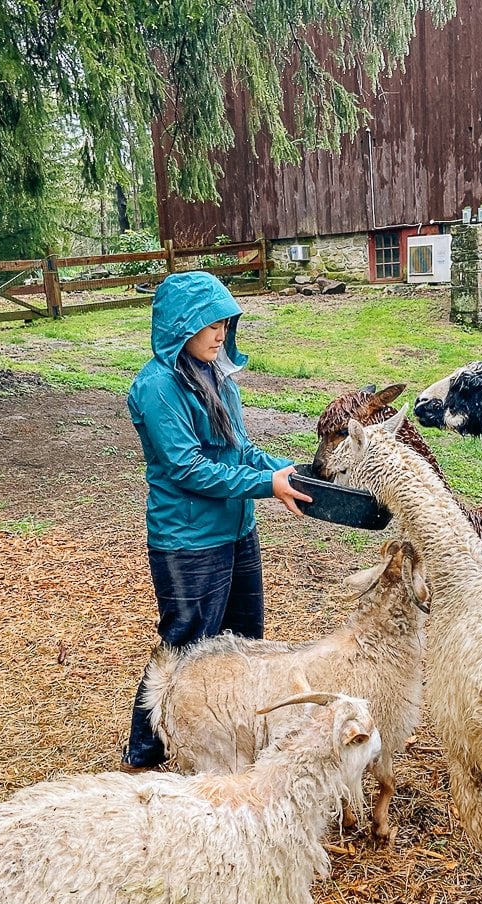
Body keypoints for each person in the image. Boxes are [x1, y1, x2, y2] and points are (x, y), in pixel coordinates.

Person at [121, 270, 312, 771]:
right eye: (210, 324)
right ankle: (144, 752)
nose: (221, 333)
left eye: (226, 323)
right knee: (187, 642)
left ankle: (231, 735)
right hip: (188, 540)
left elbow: (239, 449)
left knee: (244, 640)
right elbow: (187, 468)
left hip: (235, 530)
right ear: (182, 325)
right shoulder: (158, 386)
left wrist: (284, 473)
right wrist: (264, 486)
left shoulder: (215, 373)